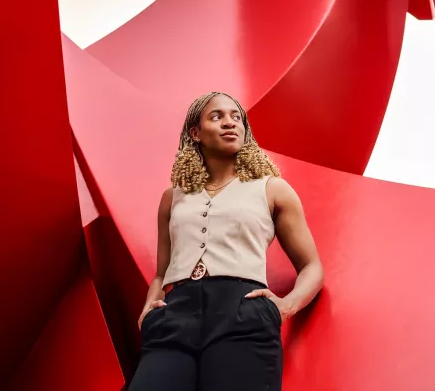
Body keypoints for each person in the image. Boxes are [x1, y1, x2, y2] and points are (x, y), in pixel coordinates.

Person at [127, 92, 324, 391]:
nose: (230, 123)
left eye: (236, 117)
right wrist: (147, 312)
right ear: (196, 133)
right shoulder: (172, 197)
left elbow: (311, 266)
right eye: (216, 117)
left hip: (242, 314)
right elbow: (161, 272)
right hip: (175, 314)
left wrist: (285, 307)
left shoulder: (273, 189)